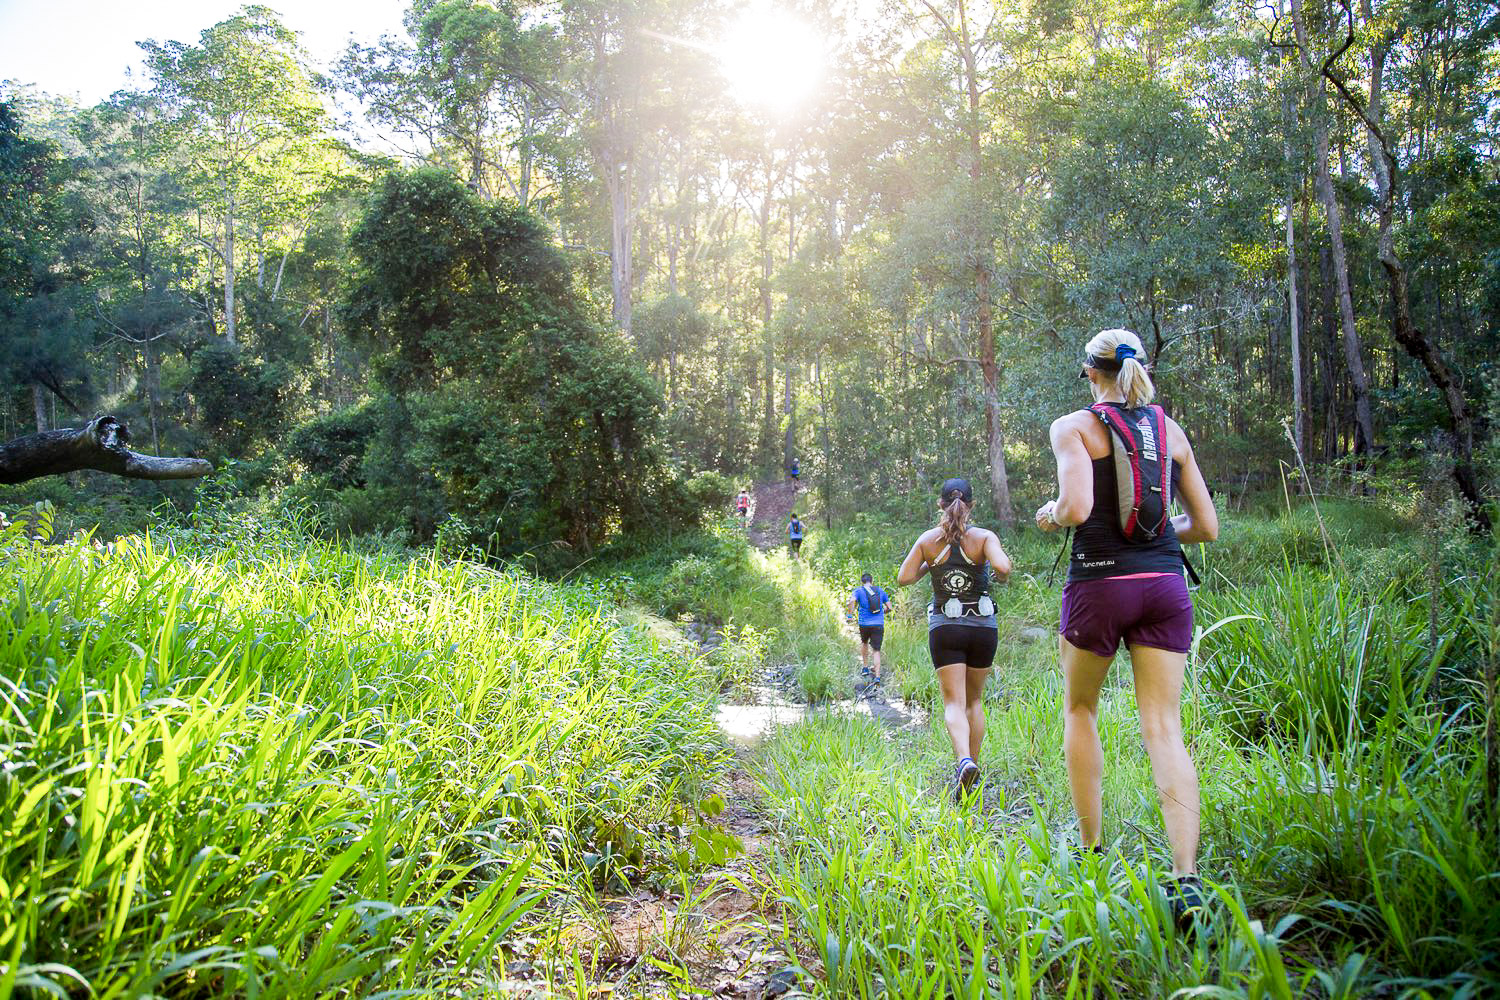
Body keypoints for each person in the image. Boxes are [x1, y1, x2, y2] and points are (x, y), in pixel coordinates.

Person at [1035, 327, 1218, 920]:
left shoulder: (1074, 427)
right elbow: (1206, 527)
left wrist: (1048, 514)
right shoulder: (1171, 432)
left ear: (1091, 372)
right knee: (1164, 726)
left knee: (1080, 709)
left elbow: (1076, 508)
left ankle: (1091, 853)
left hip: (1099, 587)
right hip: (1166, 587)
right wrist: (1159, 536)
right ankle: (1186, 878)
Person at [897, 478, 1011, 800]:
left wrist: (930, 564)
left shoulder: (928, 540)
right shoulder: (984, 537)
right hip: (982, 627)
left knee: (953, 702)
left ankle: (963, 761)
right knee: (974, 701)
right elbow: (1003, 567)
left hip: (946, 627)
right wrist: (998, 571)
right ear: (971, 505)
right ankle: (973, 765)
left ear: (940, 504)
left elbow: (904, 577)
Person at [847, 573, 892, 683]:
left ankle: (865, 667)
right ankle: (877, 676)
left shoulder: (858, 591)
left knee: (864, 643)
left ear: (862, 581)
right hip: (878, 624)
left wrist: (849, 615)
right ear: (872, 581)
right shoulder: (880, 591)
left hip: (864, 624)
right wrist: (883, 612)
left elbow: (852, 601)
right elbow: (890, 607)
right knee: (876, 650)